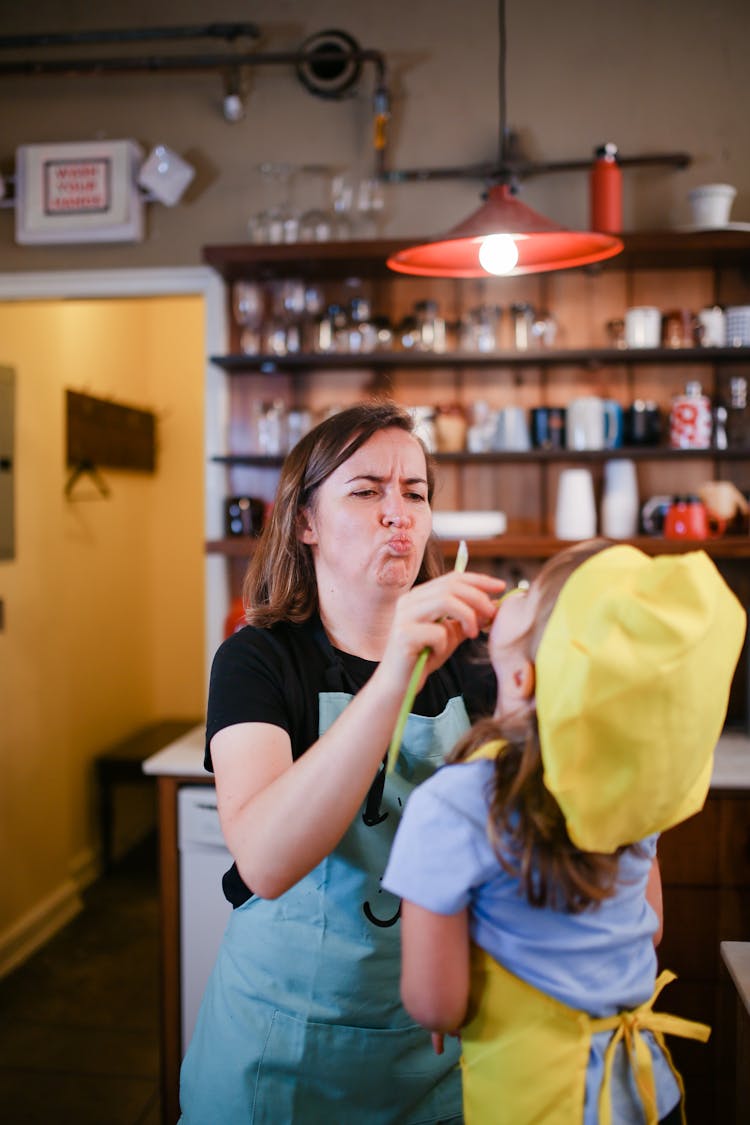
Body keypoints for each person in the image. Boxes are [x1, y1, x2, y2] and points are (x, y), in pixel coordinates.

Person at [179, 400, 505, 1124]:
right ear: (306, 521)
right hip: (280, 1060)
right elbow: (264, 857)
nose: (400, 513)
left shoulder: (476, 669)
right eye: (366, 490)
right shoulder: (257, 659)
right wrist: (395, 672)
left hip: (435, 1055)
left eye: (415, 492)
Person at [383, 539, 746, 1125]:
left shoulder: (453, 804)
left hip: (536, 1100)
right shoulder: (634, 783)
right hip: (645, 1093)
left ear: (523, 676)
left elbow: (435, 1002)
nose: (515, 588)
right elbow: (649, 927)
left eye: (534, 592)